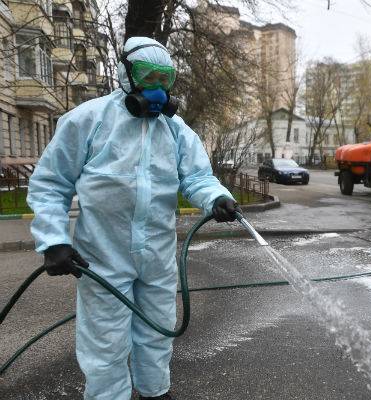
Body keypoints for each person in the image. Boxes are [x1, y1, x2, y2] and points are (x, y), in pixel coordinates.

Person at [27, 36, 240, 400]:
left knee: (157, 330)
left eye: (165, 80)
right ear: (125, 74)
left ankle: (155, 392)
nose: (157, 89)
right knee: (105, 343)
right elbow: (51, 183)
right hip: (103, 257)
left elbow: (197, 177)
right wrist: (53, 241)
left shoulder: (174, 130)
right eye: (148, 77)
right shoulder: (88, 120)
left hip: (156, 256)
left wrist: (217, 197)